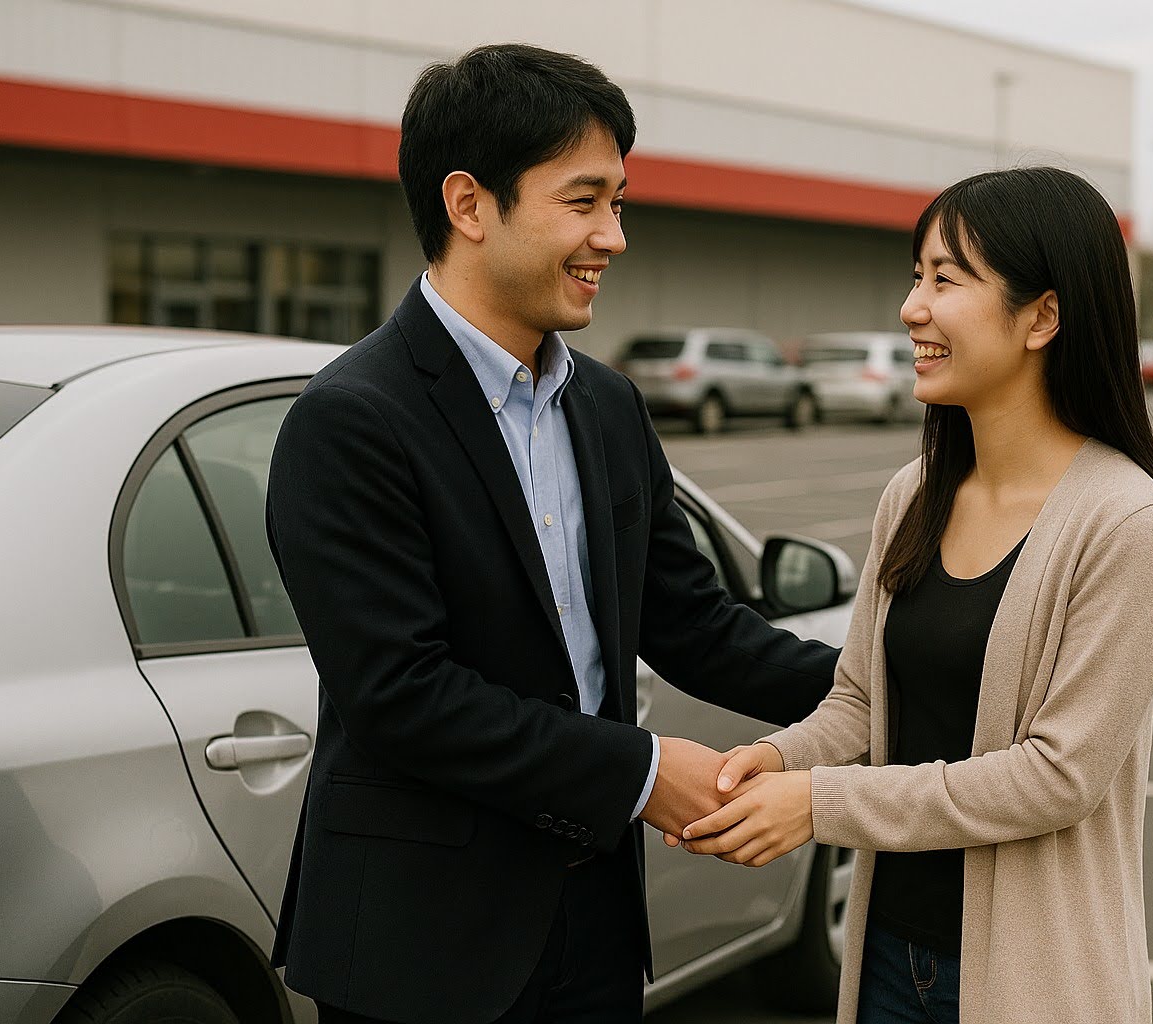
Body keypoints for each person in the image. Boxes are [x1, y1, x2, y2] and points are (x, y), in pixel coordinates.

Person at [264, 43, 838, 1024]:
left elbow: (695, 622)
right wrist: (646, 772)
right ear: (470, 204)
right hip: (424, 944)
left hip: (597, 924)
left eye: (620, 201)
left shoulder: (607, 408)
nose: (613, 236)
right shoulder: (352, 418)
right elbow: (406, 694)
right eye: (584, 201)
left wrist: (898, 679)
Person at [679, 166, 1153, 1024]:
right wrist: (770, 763)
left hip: (1035, 979)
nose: (912, 307)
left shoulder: (1126, 522)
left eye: (946, 279)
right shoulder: (913, 495)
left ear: (1044, 316)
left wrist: (819, 804)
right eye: (917, 276)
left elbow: (1057, 777)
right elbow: (859, 703)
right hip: (886, 960)